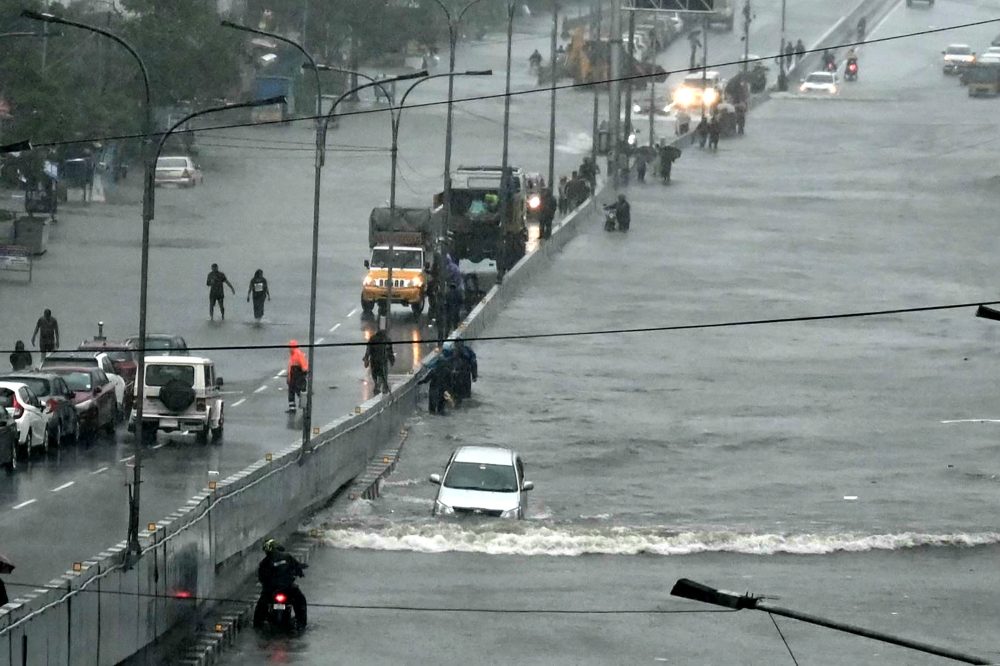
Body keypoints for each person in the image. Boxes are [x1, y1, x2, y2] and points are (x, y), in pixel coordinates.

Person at [254, 539, 307, 630]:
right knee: (300, 601)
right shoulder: (287, 556)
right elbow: (297, 567)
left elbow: (261, 577)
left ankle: (257, 624)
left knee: (261, 606)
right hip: (288, 588)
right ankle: (301, 624)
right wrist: (300, 572)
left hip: (271, 590)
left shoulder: (265, 562)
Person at [418, 347, 453, 414]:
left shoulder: (434, 371)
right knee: (440, 408)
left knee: (432, 408)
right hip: (441, 391)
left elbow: (426, 380)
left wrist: (419, 382)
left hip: (435, 391)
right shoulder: (447, 371)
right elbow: (451, 382)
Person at [363, 324, 395, 395]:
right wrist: (391, 359)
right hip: (382, 360)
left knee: (375, 373)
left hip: (375, 360)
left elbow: (368, 350)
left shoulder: (373, 338)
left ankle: (379, 385)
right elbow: (390, 351)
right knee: (382, 373)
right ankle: (382, 386)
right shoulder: (386, 339)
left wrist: (366, 358)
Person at [286, 340, 308, 412]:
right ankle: (292, 408)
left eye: (290, 347)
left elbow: (303, 363)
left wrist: (304, 371)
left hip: (297, 374)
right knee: (291, 391)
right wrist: (288, 377)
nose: (289, 349)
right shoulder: (293, 354)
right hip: (293, 375)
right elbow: (290, 367)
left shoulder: (297, 354)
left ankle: (305, 406)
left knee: (299, 391)